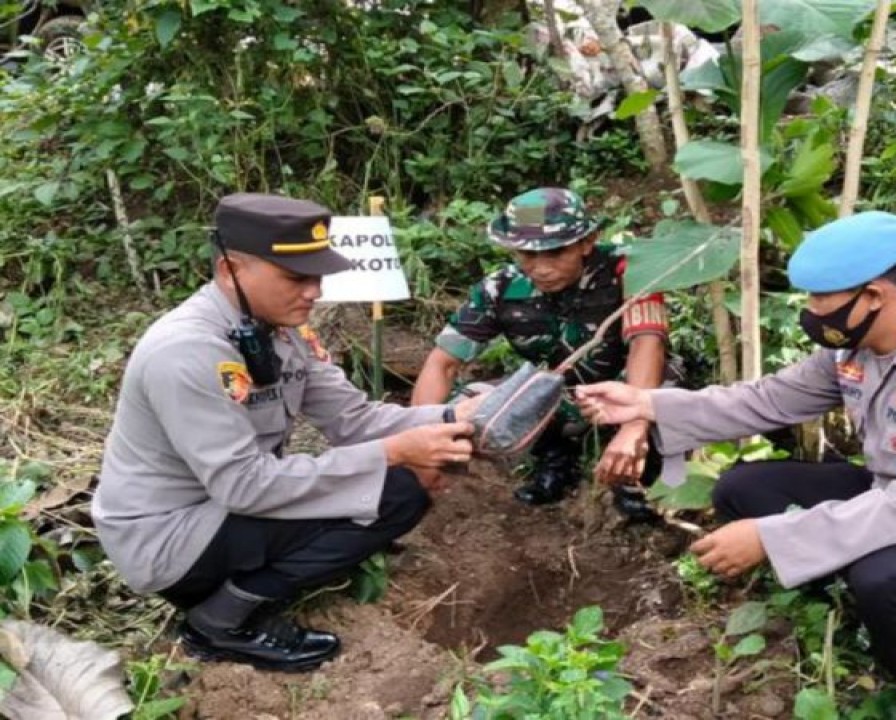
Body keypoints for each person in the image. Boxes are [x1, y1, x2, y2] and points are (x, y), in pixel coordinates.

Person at [576, 211, 896, 720]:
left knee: (885, 574)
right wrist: (646, 404)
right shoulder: (858, 346)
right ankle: (873, 609)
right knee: (745, 488)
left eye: (822, 298)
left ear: (876, 295)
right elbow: (768, 400)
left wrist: (774, 538)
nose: (813, 311)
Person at [93, 193, 477, 672]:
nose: (314, 292)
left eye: (318, 276)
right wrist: (395, 452)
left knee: (398, 483)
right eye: (297, 277)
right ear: (231, 269)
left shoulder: (281, 328)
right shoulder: (186, 351)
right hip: (170, 536)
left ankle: (274, 569)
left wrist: (452, 417)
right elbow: (244, 485)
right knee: (397, 489)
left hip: (224, 507)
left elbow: (352, 419)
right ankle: (219, 621)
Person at [411, 187, 670, 519]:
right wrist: (421, 439)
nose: (540, 267)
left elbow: (647, 344)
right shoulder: (502, 287)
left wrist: (634, 426)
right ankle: (554, 458)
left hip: (628, 386)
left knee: (670, 388)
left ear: (587, 242)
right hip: (556, 393)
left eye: (556, 253)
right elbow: (443, 363)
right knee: (469, 404)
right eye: (528, 255)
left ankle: (640, 474)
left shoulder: (630, 270)